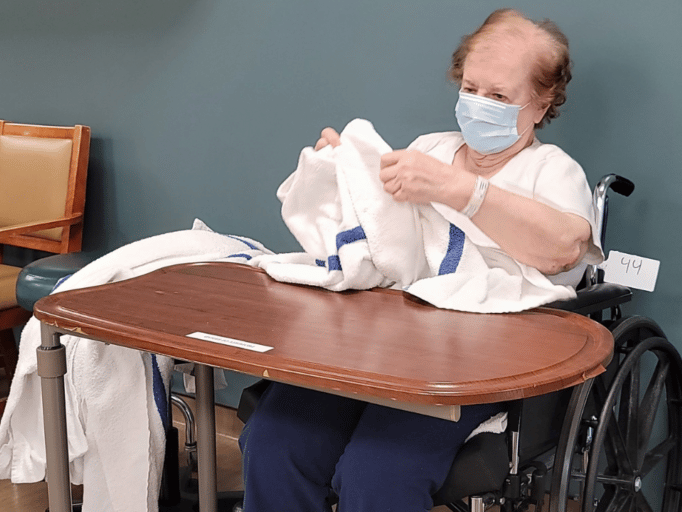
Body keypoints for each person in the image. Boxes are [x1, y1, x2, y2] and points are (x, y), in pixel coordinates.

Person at [239, 9, 602, 512]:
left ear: (540, 104)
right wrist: (347, 170)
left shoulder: (553, 171)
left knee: (377, 472)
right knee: (276, 439)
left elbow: (565, 247)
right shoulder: (431, 149)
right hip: (382, 344)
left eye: (498, 97)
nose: (479, 105)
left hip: (475, 363)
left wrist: (464, 192)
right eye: (471, 89)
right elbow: (385, 236)